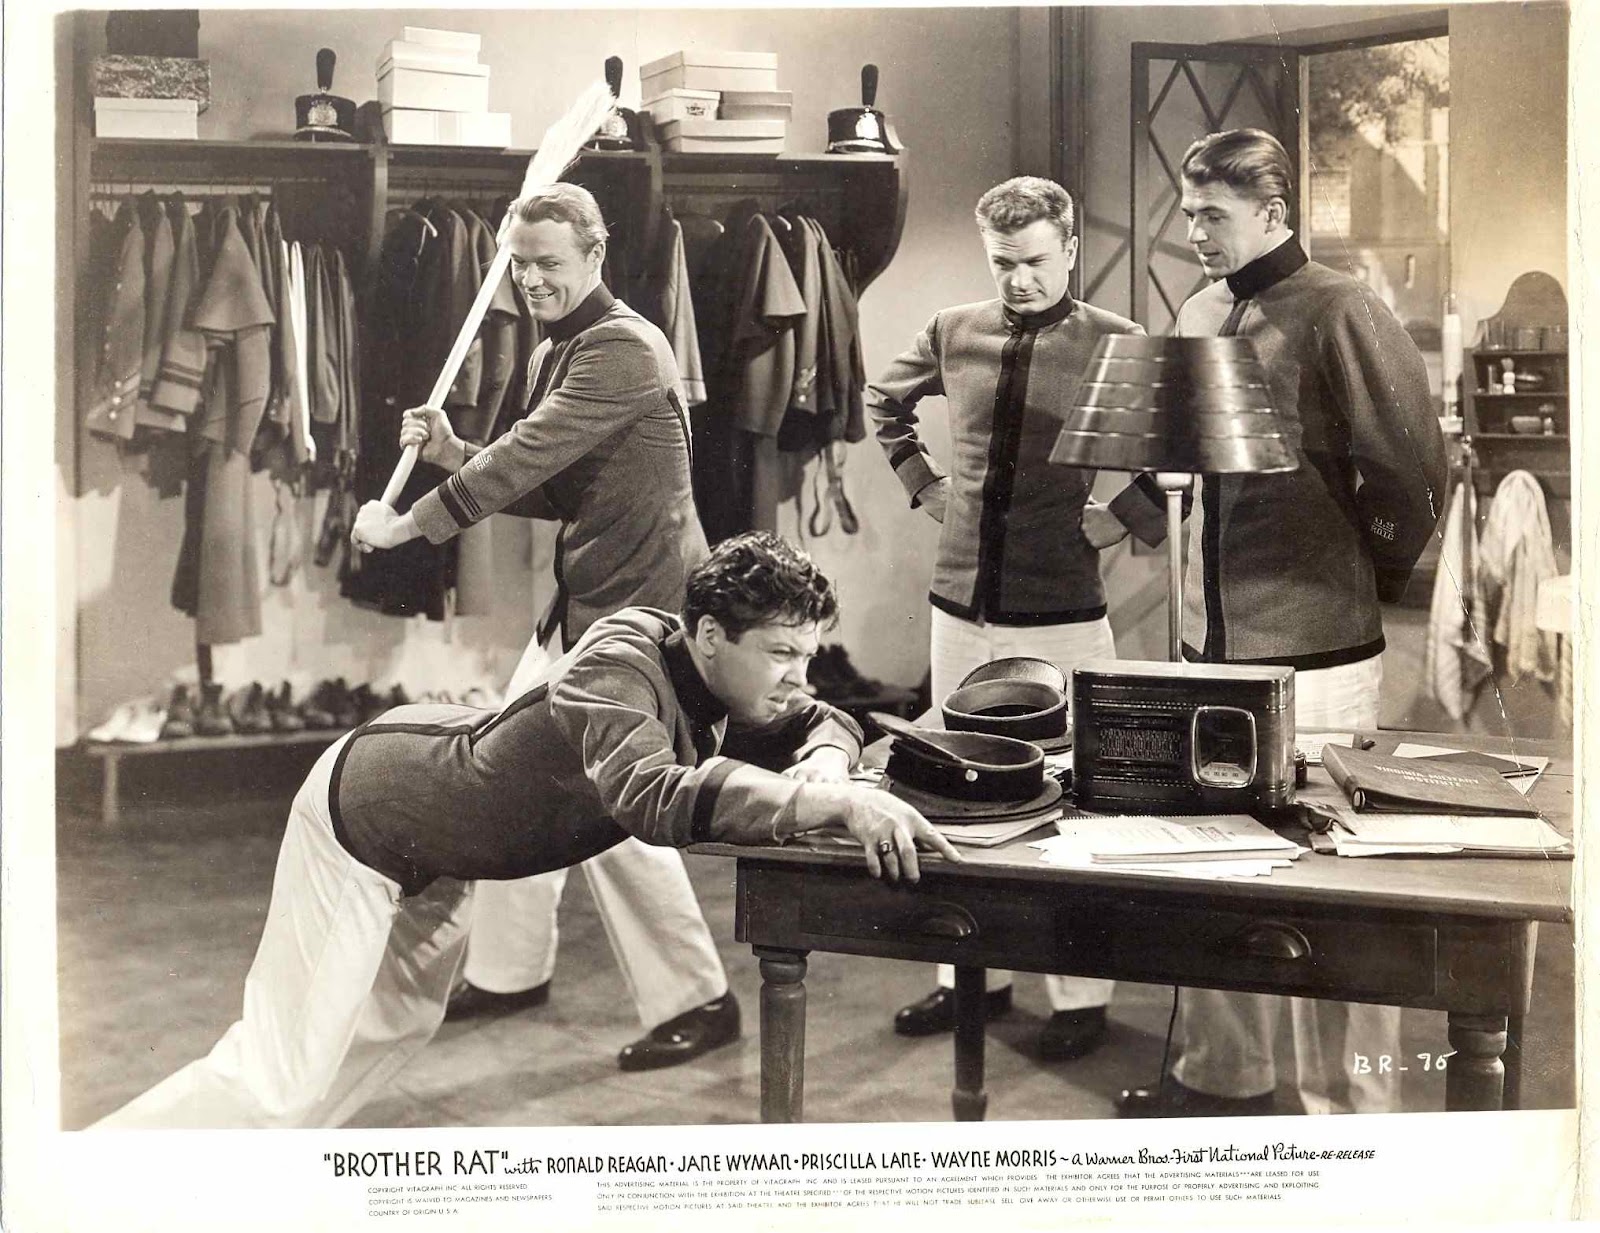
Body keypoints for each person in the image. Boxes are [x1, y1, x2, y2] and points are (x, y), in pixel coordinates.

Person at [94, 533, 962, 1129]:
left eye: (807, 653)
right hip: (367, 813)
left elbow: (827, 719)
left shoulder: (729, 678)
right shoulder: (620, 662)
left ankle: (241, 1182)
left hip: (439, 850)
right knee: (279, 1075)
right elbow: (650, 795)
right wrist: (826, 805)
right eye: (782, 653)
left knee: (391, 1031)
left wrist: (828, 766)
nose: (799, 676)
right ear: (709, 634)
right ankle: (96, 1180)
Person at [1095, 129, 1448, 1117]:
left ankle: (1353, 1112)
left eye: (1212, 213)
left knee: (1331, 887)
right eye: (1188, 211)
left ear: (1273, 212)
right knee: (1216, 861)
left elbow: (1413, 470)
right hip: (1210, 643)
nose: (1193, 231)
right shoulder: (1202, 308)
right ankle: (1223, 1077)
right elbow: (1179, 446)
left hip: (1315, 650)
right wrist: (1127, 513)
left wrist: (1354, 572)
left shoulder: (1341, 308)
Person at [351, 182, 734, 1073]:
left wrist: (404, 527)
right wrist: (451, 450)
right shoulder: (554, 349)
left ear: (596, 256)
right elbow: (553, 486)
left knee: (618, 812)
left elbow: (522, 457)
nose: (531, 280)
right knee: (507, 773)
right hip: (586, 606)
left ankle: (699, 999)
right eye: (519, 264)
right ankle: (510, 970)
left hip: (645, 613)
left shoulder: (625, 348)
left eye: (549, 263)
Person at [867, 176, 1144, 1062]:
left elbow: (1178, 442)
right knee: (957, 790)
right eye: (1002, 264)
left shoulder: (1116, 338)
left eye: (1034, 262)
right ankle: (969, 981)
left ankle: (1080, 997)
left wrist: (1126, 515)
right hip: (961, 607)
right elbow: (882, 403)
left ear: (1070, 249)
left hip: (1063, 612)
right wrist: (924, 485)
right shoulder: (954, 330)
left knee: (1072, 803)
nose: (1019, 279)